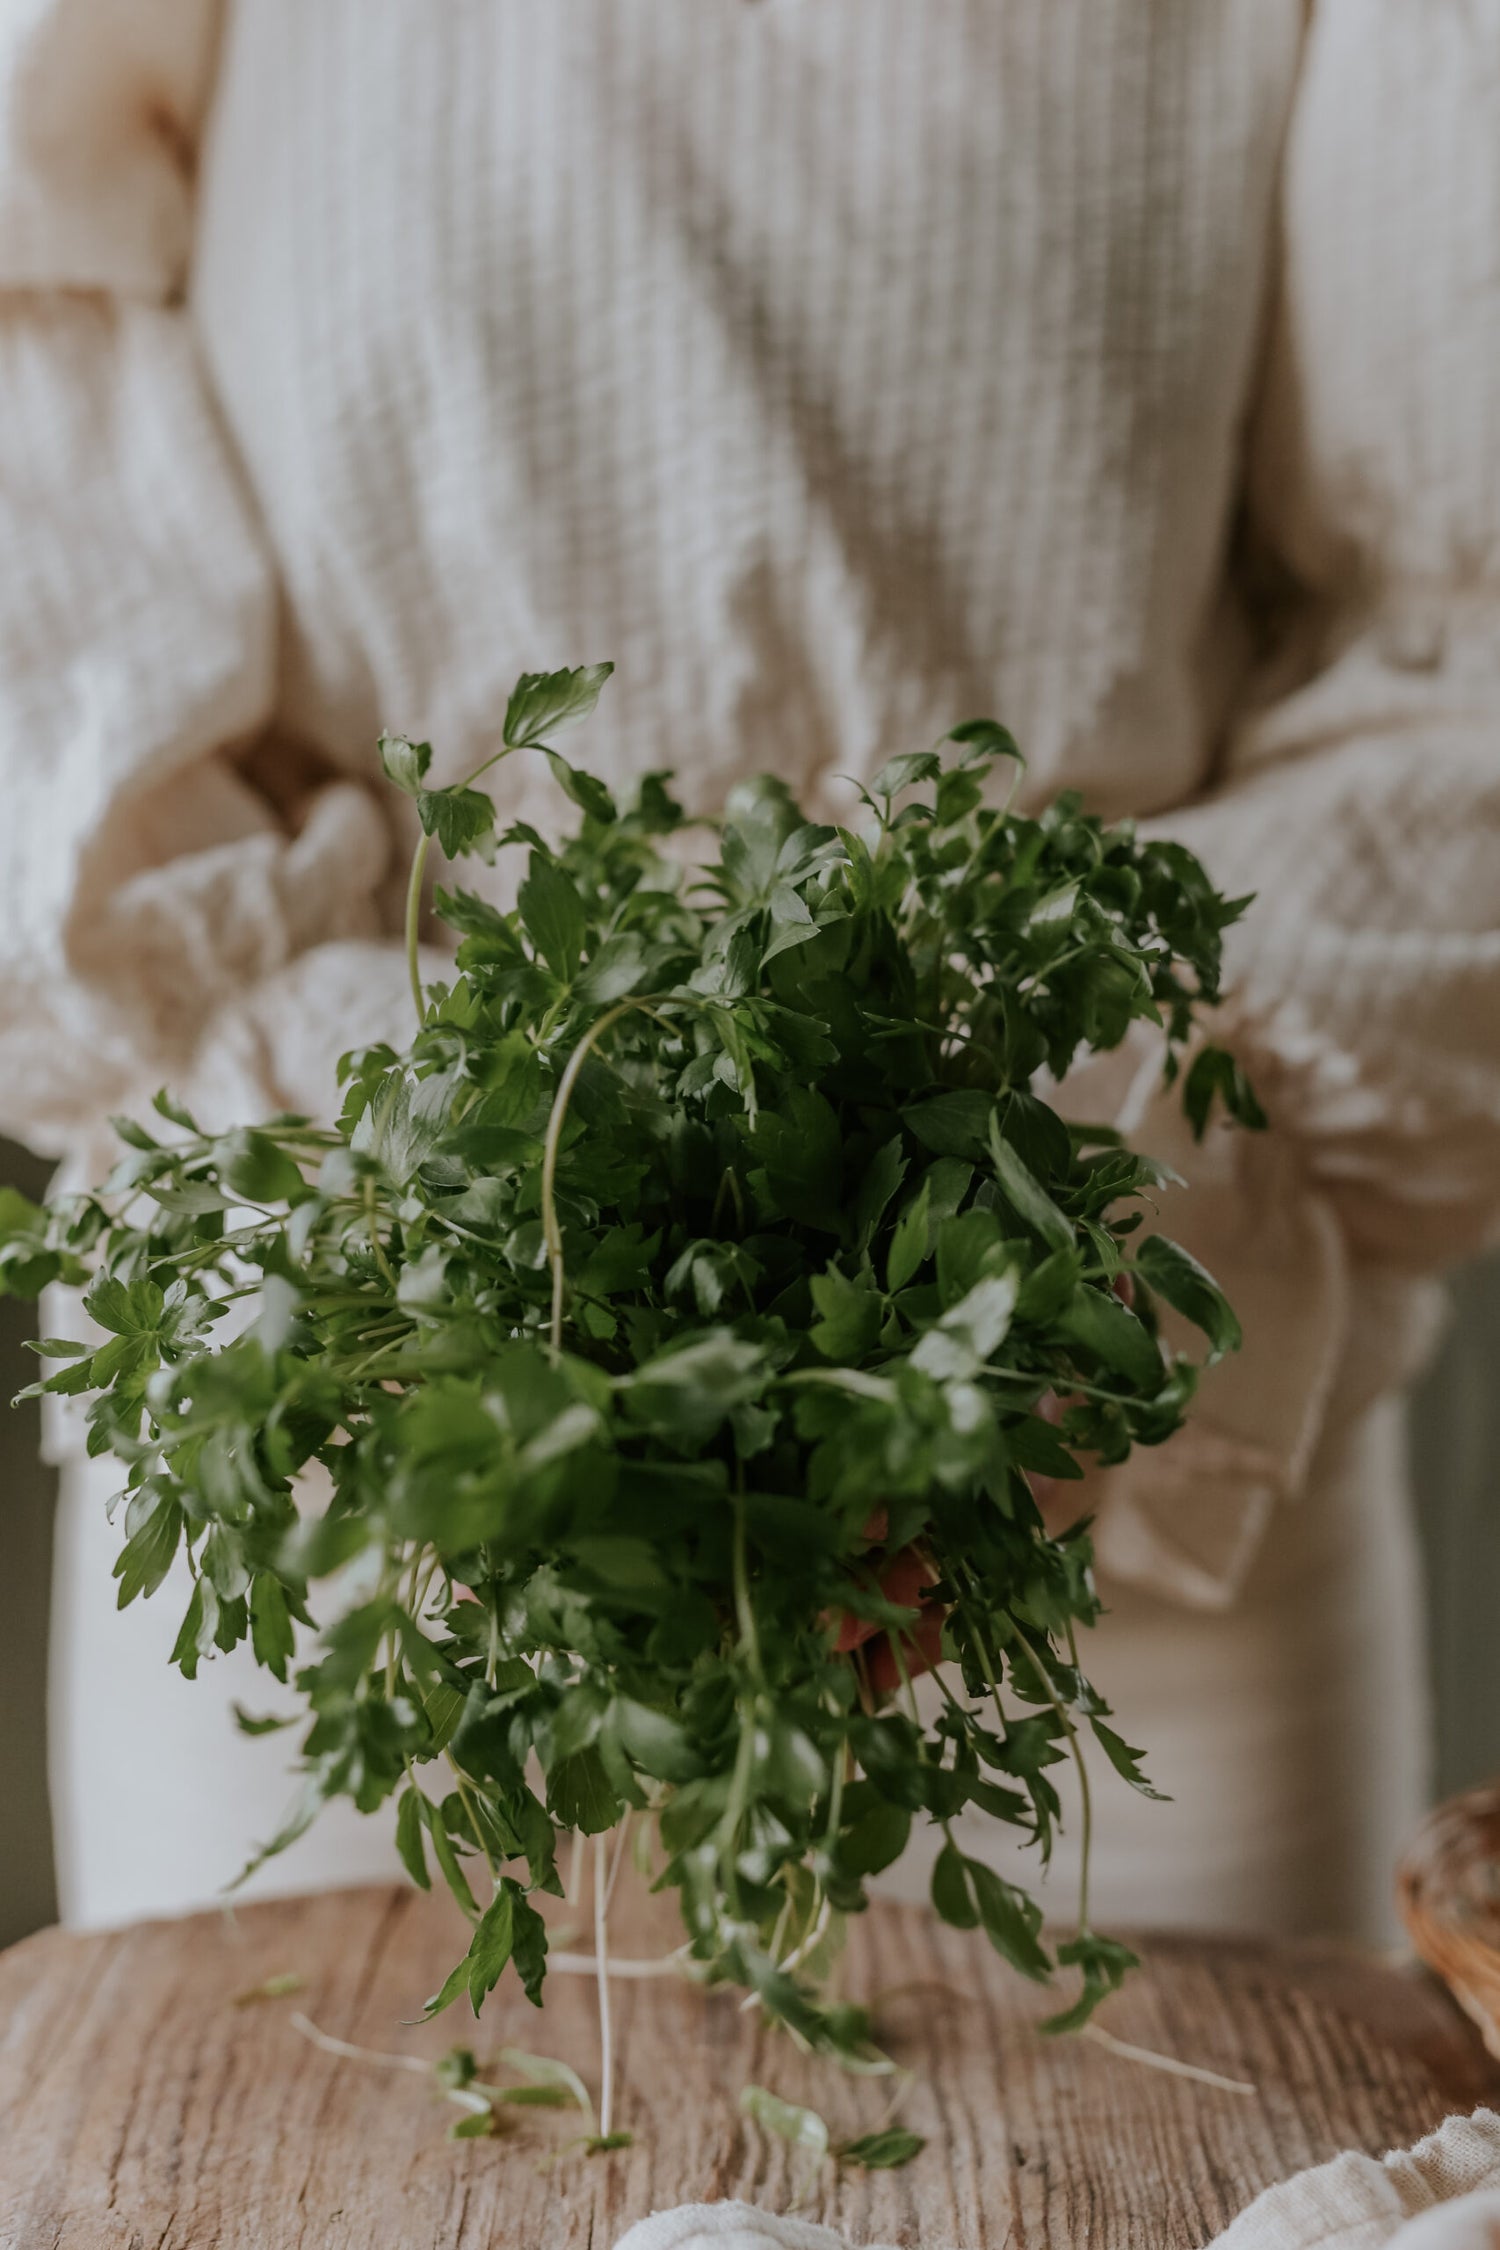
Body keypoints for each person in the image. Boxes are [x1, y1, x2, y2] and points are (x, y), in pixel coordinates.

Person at [2, 0, 1497, 1942]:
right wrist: (384, 1145)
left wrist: (1046, 1219)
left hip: (1097, 1492)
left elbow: (1461, 639)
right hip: (363, 1432)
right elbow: (37, 386)